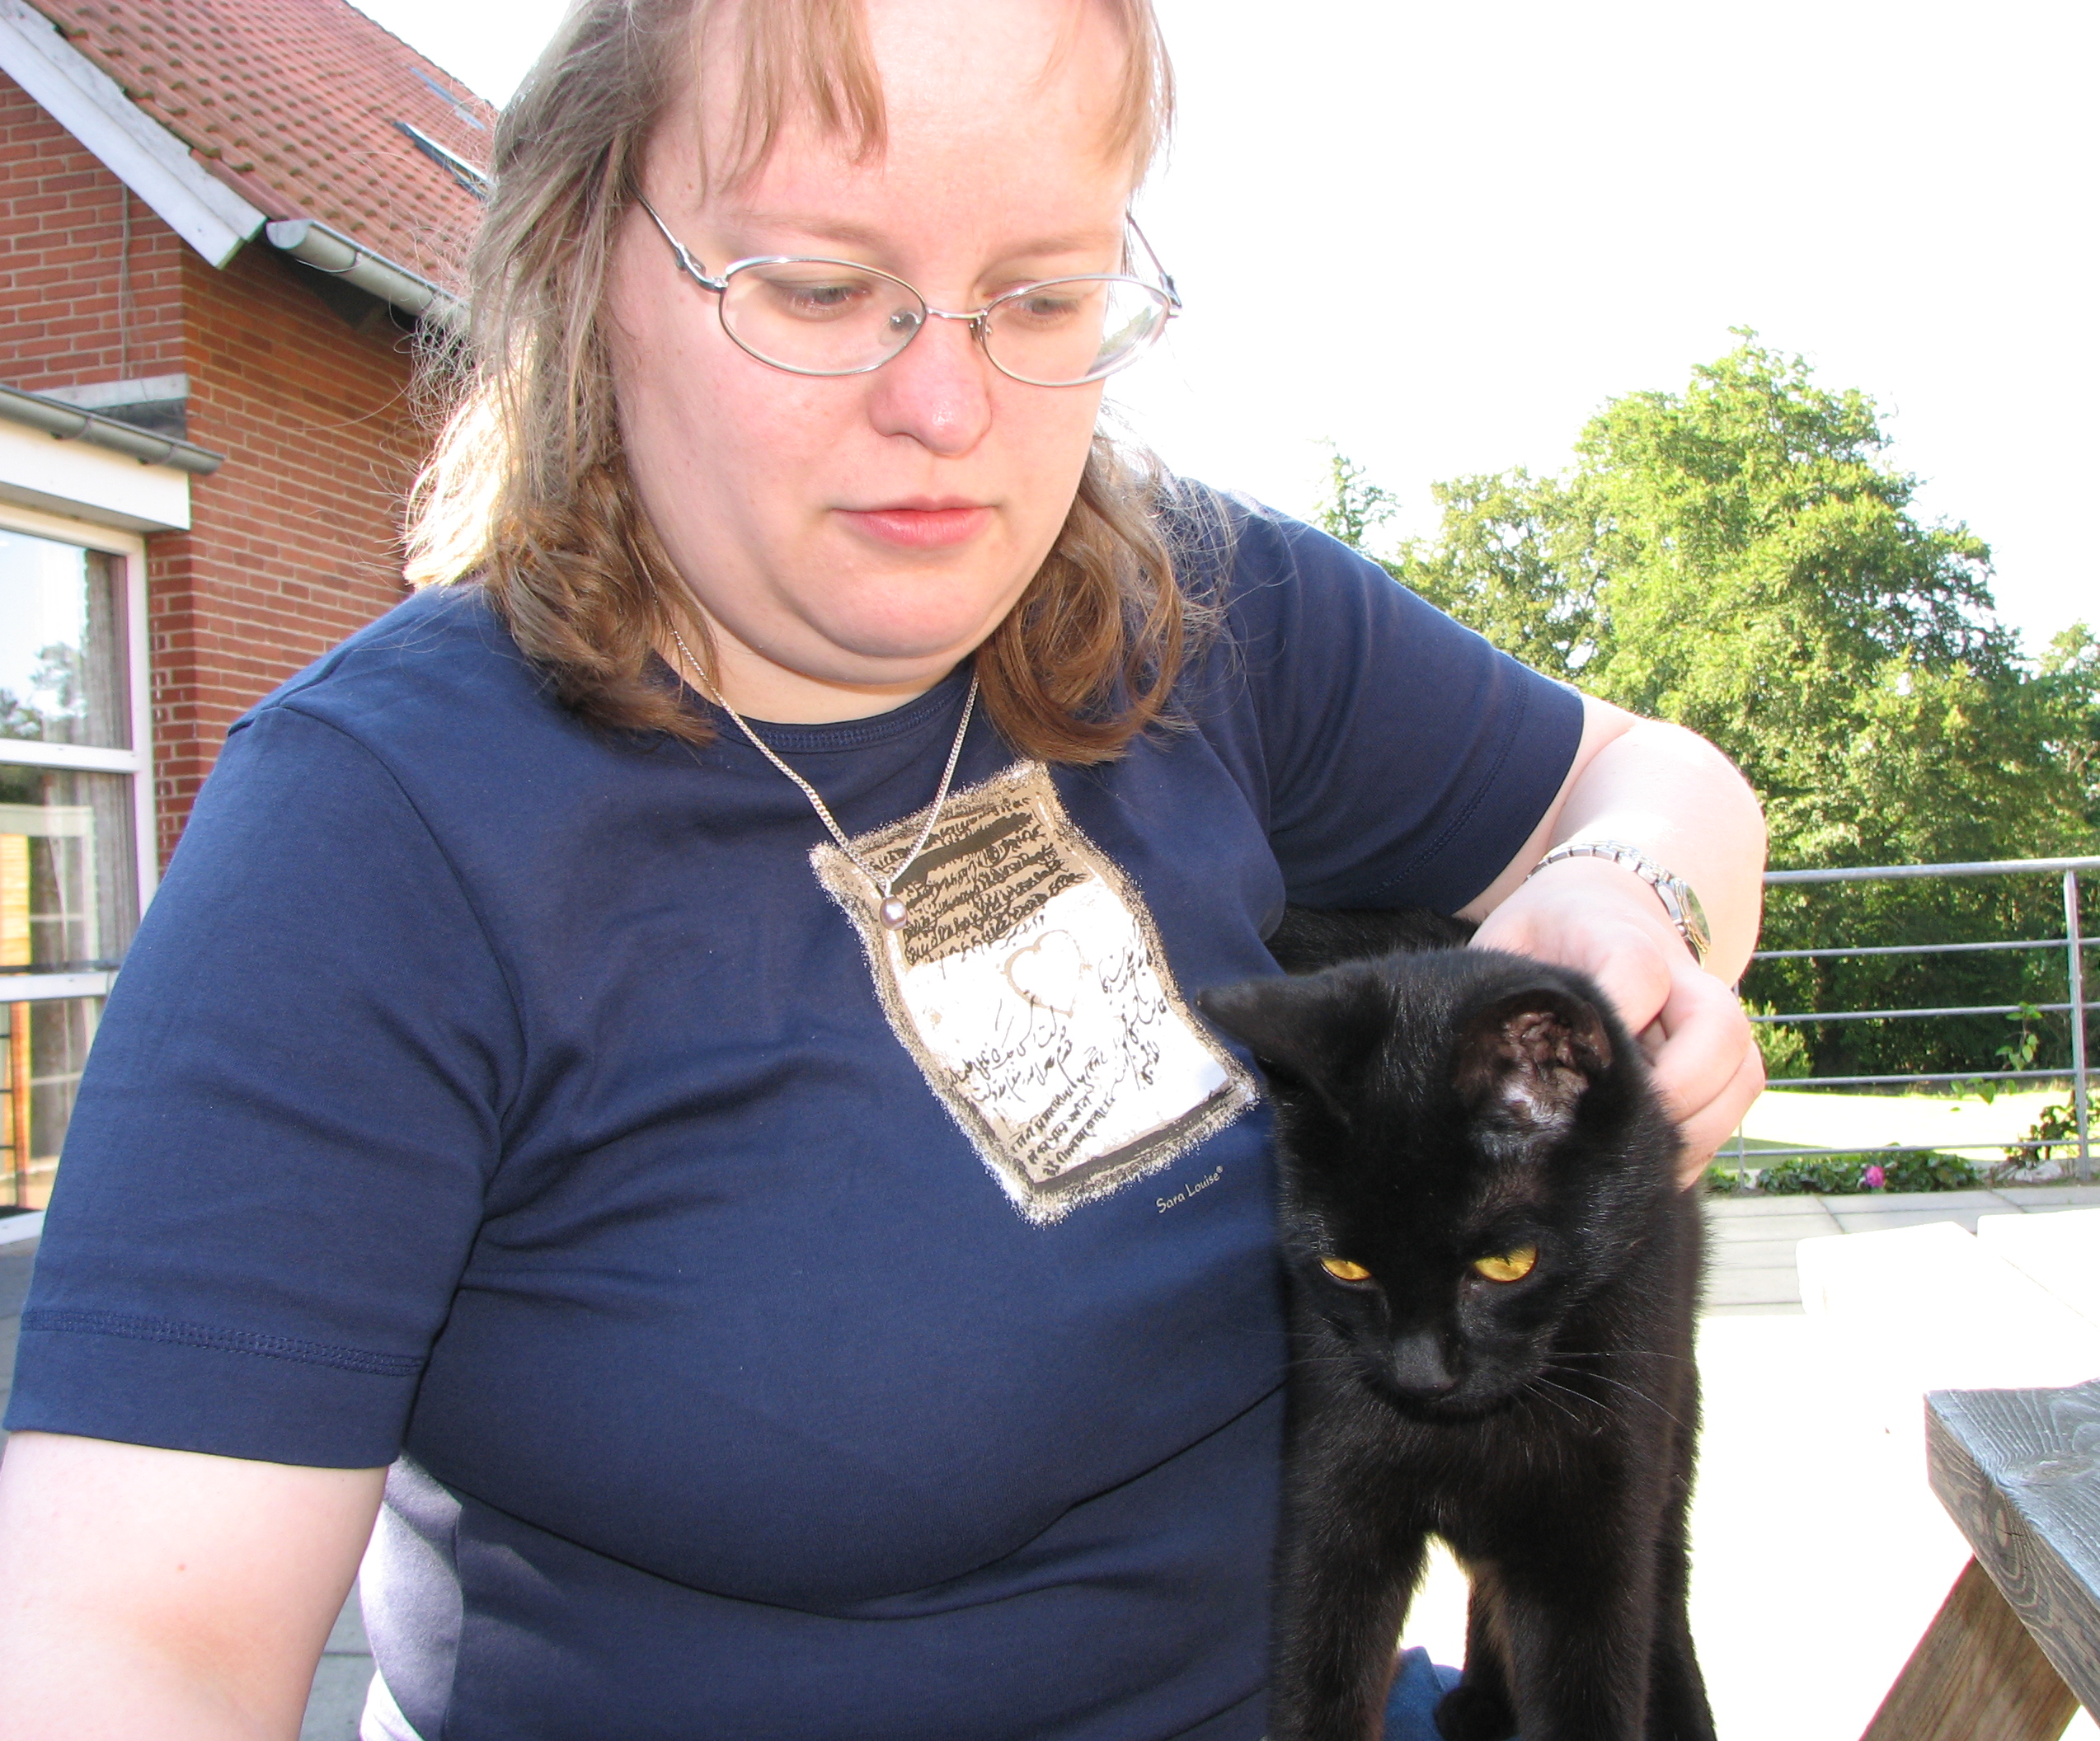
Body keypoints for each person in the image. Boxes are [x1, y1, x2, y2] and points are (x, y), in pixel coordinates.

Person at [0, 0, 1766, 1735]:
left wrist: (1631, 899)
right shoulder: (374, 832)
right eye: (820, 288)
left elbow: (1653, 778)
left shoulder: (1194, 615)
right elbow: (128, 1637)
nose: (946, 403)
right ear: (582, 267)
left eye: (1044, 295)